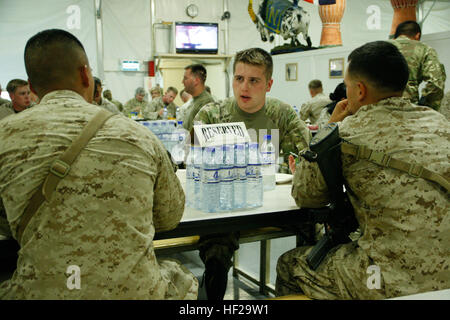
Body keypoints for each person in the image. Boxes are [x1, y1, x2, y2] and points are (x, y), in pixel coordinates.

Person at [0, 28, 198, 299]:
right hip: (135, 293)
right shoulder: (137, 134)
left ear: (32, 88)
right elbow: (169, 215)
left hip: (43, 292)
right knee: (180, 277)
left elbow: (5, 222)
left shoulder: (5, 136)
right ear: (85, 75)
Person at [276, 40, 449, 300]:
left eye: (347, 86)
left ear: (359, 90)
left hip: (385, 280)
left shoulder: (347, 133)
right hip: (446, 275)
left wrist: (330, 127)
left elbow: (306, 195)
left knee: (290, 265)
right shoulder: (439, 123)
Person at [193, 47, 311, 300]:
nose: (244, 87)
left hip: (273, 201)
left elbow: (305, 159)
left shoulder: (282, 114)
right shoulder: (212, 115)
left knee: (313, 230)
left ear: (268, 84)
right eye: (239, 79)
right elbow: (194, 167)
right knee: (216, 249)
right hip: (228, 206)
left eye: (254, 81)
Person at [391, 20, 446, 111]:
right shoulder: (425, 49)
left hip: (376, 111)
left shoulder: (379, 48)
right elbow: (436, 83)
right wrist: (424, 107)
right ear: (417, 36)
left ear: (395, 37)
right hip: (409, 110)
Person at [182, 64, 214, 132]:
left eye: (185, 78)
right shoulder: (194, 100)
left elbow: (199, 135)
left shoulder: (206, 103)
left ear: (196, 81)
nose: (182, 82)